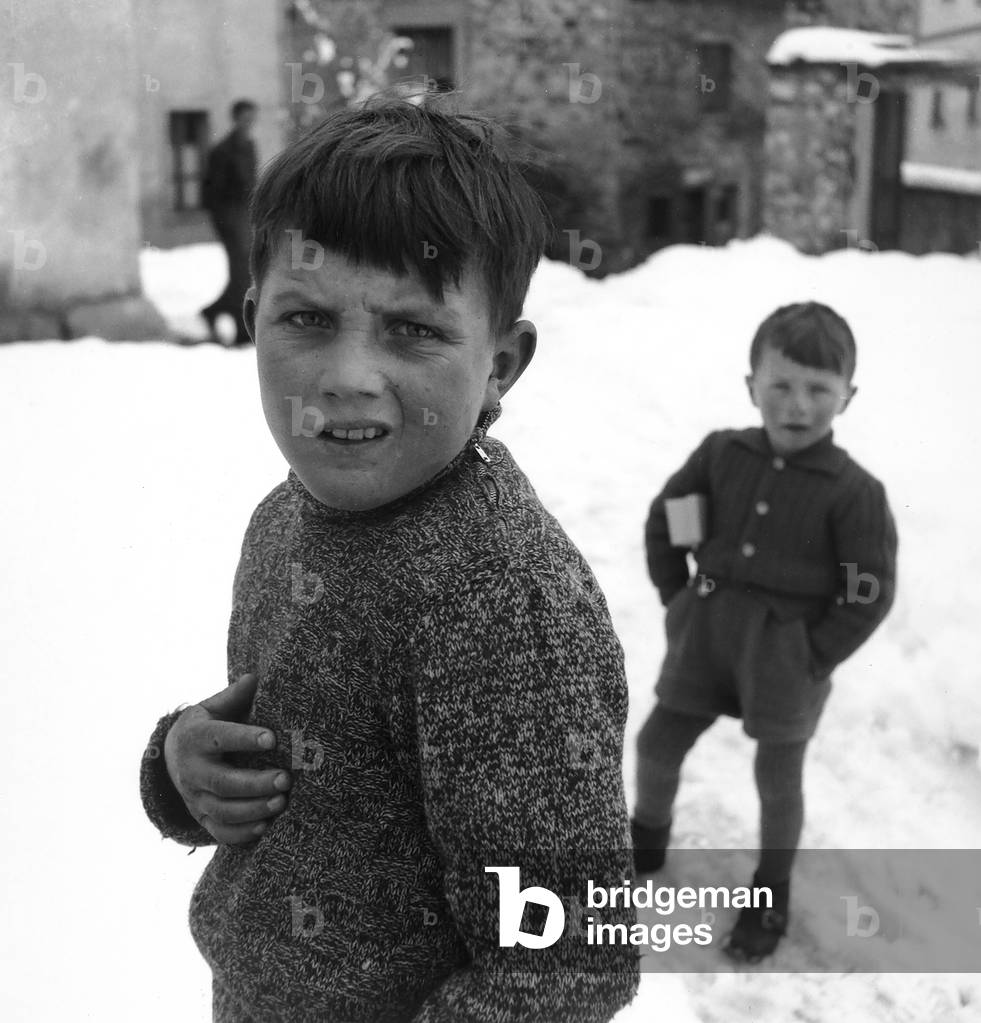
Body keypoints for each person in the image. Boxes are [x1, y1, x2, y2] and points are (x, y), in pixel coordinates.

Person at [140, 95, 639, 1021]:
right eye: (306, 318)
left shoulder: (502, 604)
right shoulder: (285, 521)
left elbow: (565, 965)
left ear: (501, 363)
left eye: (412, 329)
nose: (347, 375)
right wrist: (181, 767)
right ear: (253, 318)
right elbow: (290, 756)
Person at [632, 302, 898, 963]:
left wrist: (813, 654)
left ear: (848, 397)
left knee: (777, 778)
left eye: (818, 389)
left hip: (784, 656)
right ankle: (644, 837)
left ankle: (770, 889)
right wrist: (677, 596)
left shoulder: (852, 491)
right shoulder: (724, 453)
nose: (796, 404)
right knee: (656, 742)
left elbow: (866, 590)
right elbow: (672, 522)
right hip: (705, 635)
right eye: (779, 384)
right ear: (751, 384)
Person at [200, 99, 258, 346]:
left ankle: (214, 312)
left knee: (244, 273)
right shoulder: (222, 151)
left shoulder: (249, 146)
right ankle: (240, 329)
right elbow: (211, 193)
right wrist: (226, 223)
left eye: (252, 117)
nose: (249, 122)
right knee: (241, 272)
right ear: (235, 118)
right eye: (245, 117)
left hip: (245, 216)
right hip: (229, 218)